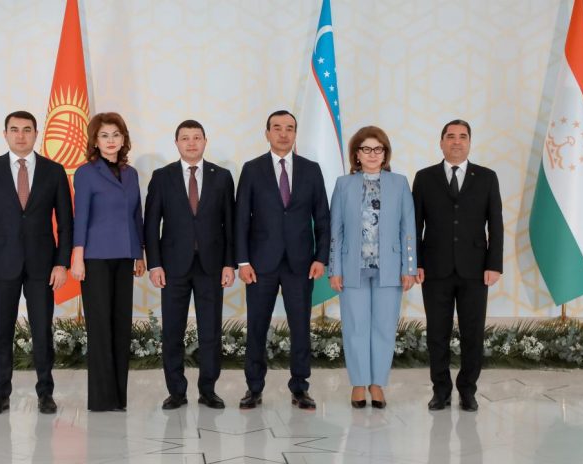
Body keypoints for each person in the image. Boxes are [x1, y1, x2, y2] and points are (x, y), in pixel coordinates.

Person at [0, 110, 73, 415]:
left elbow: (66, 223)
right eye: (14, 130)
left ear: (36, 133)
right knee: (2, 332)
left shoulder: (54, 171)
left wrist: (61, 263)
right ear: (5, 134)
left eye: (27, 129)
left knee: (42, 332)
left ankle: (45, 393)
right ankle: (0, 395)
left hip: (43, 266)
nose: (21, 135)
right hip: (1, 266)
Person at [235, 110, 330, 410]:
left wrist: (321, 258)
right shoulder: (252, 169)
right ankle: (254, 388)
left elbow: (323, 218)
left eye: (289, 128)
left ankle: (300, 387)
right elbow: (241, 219)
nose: (283, 133)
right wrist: (242, 262)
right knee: (257, 327)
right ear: (267, 133)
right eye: (277, 128)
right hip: (260, 265)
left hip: (300, 264)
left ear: (295, 133)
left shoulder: (311, 170)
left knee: (300, 328)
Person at [412, 119, 503, 412]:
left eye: (463, 136)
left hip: (475, 270)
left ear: (469, 142)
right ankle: (440, 391)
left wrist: (494, 264)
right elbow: (414, 225)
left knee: (472, 334)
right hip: (434, 269)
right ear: (441, 142)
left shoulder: (487, 177)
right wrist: (416, 263)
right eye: (450, 136)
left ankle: (467, 390)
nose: (456, 141)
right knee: (436, 334)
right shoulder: (424, 178)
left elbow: (496, 224)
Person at [144, 119, 235, 410]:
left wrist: (229, 264)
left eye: (197, 137)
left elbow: (230, 224)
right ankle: (176, 391)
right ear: (177, 143)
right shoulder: (162, 176)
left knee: (211, 332)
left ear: (205, 141)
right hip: (172, 268)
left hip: (211, 266)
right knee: (173, 331)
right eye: (185, 138)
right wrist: (154, 264)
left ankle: (208, 390)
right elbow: (151, 224)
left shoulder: (222, 177)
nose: (192, 143)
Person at [328, 126, 417, 409]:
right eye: (366, 149)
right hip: (351, 268)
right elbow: (335, 230)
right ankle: (358, 383)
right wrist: (334, 268)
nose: (372, 154)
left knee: (384, 327)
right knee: (355, 326)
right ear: (357, 154)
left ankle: (377, 383)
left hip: (389, 268)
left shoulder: (399, 183)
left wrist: (410, 267)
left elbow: (408, 228)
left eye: (378, 149)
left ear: (385, 153)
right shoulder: (344, 185)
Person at [70, 112, 146, 411]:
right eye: (104, 135)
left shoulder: (131, 173)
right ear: (95, 140)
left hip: (125, 256)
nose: (111, 140)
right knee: (100, 327)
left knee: (120, 326)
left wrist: (139, 253)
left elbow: (136, 215)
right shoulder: (86, 173)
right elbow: (80, 216)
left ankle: (118, 397)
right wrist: (77, 256)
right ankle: (102, 399)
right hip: (95, 258)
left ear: (124, 138)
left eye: (116, 134)